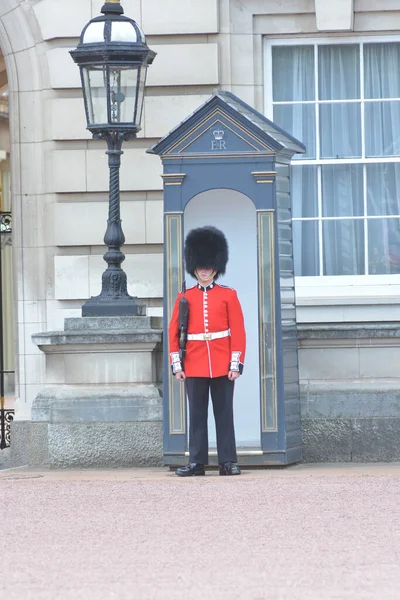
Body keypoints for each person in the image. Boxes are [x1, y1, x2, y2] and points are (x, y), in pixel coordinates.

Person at [168, 226, 246, 477]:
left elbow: (238, 332)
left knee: (224, 414)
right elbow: (173, 333)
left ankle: (227, 461)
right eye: (200, 266)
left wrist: (236, 364)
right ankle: (197, 462)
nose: (204, 270)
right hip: (195, 362)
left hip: (222, 362)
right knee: (197, 415)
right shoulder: (185, 296)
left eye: (208, 265)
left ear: (215, 267)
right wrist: (177, 365)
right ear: (194, 267)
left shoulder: (228, 295)